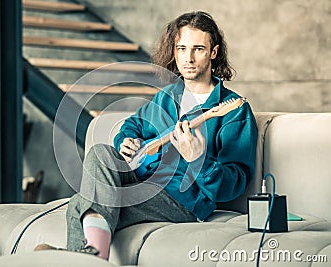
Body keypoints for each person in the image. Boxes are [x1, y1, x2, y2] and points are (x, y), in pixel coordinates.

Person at [35, 11, 258, 260]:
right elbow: (133, 125)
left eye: (198, 49)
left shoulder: (232, 109)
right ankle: (89, 259)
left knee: (80, 204)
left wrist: (199, 160)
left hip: (182, 199)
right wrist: (126, 141)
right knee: (100, 152)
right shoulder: (168, 96)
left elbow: (237, 182)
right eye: (181, 49)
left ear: (213, 52)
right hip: (141, 179)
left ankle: (83, 259)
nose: (189, 58)